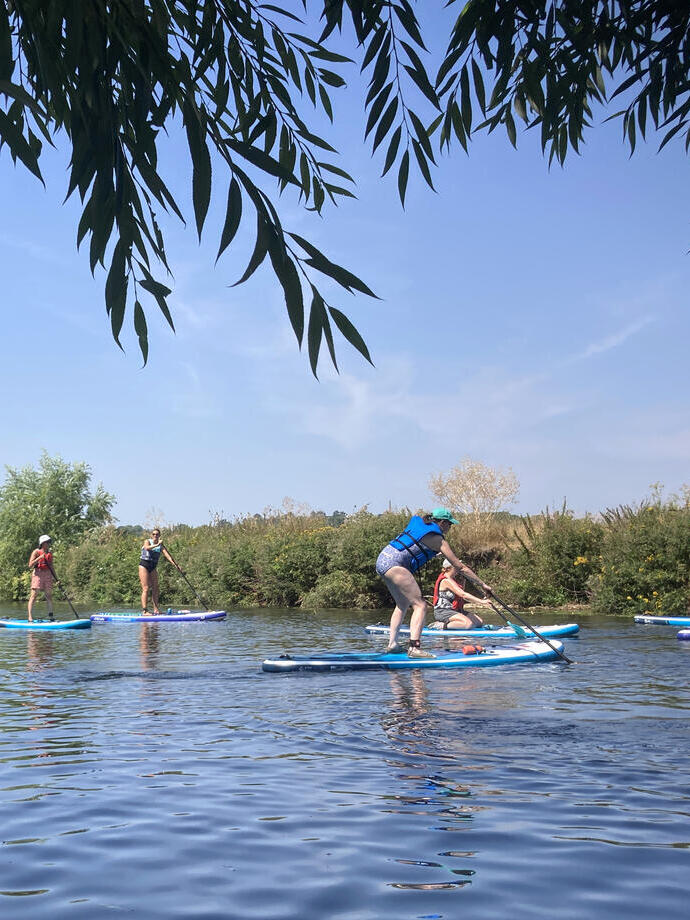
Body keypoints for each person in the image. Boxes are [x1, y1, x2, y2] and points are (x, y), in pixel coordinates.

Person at [376, 508, 493, 658]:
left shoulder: (420, 525)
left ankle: (392, 644)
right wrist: (482, 584)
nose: (450, 528)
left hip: (382, 559)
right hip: (395, 564)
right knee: (420, 605)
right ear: (443, 523)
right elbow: (460, 566)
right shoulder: (438, 540)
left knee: (402, 604)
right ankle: (414, 648)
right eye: (449, 525)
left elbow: (414, 545)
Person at [431, 559, 492, 629]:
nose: (459, 568)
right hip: (443, 611)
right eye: (456, 566)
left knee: (479, 622)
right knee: (467, 624)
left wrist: (464, 579)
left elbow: (460, 596)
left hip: (455, 610)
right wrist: (481, 602)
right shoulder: (445, 581)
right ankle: (440, 625)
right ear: (450, 568)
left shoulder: (452, 580)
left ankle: (459, 625)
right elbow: (463, 595)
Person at [138, 528, 183, 615]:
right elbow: (147, 548)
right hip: (144, 565)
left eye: (157, 534)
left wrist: (176, 565)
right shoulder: (147, 541)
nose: (155, 536)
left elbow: (168, 557)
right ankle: (145, 611)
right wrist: (157, 544)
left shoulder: (161, 546)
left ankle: (156, 609)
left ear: (159, 536)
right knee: (146, 588)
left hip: (153, 567)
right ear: (151, 535)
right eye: (154, 534)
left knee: (156, 587)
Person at [28, 535, 55, 622]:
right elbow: (30, 565)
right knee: (34, 595)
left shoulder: (49, 553)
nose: (48, 544)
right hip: (38, 573)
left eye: (48, 542)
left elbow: (52, 567)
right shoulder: (36, 551)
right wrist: (39, 558)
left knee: (49, 596)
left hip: (47, 574)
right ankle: (30, 617)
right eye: (46, 542)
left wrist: (56, 578)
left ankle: (51, 616)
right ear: (42, 543)